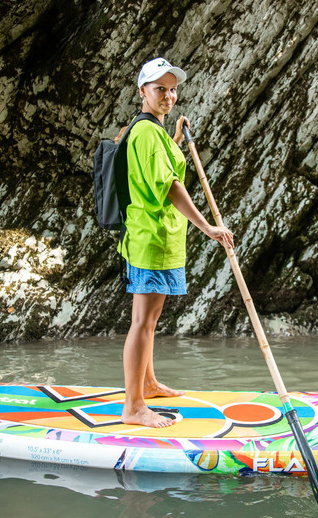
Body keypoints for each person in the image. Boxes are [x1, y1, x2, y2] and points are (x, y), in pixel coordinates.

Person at [120, 58, 234, 428]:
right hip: (151, 240)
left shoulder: (150, 132)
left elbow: (158, 165)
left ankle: (148, 384)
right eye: (159, 89)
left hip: (159, 239)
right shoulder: (146, 133)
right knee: (143, 322)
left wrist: (176, 138)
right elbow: (169, 185)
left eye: (172, 89)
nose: (168, 96)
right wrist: (208, 227)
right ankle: (133, 407)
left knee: (150, 320)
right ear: (142, 92)